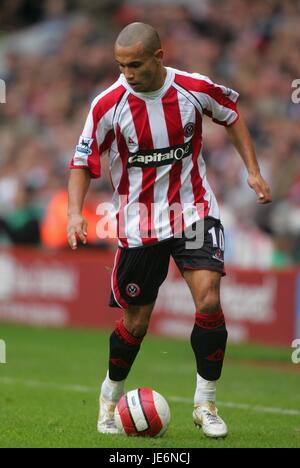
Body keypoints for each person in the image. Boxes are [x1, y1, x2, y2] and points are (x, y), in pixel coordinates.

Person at [67, 22, 271, 438]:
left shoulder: (194, 89)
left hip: (194, 212)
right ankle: (111, 393)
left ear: (159, 57)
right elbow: (81, 160)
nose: (127, 73)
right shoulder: (108, 104)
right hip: (140, 226)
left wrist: (253, 171)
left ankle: (206, 403)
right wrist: (74, 212)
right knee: (137, 324)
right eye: (121, 65)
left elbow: (232, 116)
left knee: (209, 299)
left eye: (135, 64)